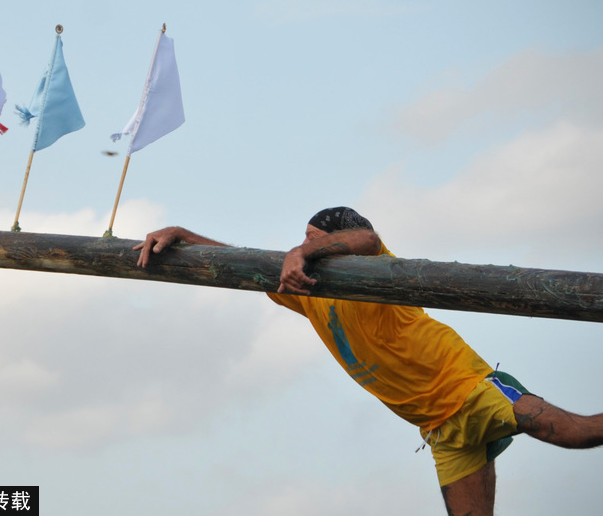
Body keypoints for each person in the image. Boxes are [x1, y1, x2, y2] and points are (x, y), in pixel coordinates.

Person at [134, 207, 603, 516]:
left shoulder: (375, 262)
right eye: (302, 240)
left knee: (576, 432)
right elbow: (235, 262)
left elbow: (366, 236)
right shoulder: (306, 293)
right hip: (442, 431)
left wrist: (302, 251)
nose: (301, 246)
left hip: (471, 388)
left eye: (312, 238)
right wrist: (181, 233)